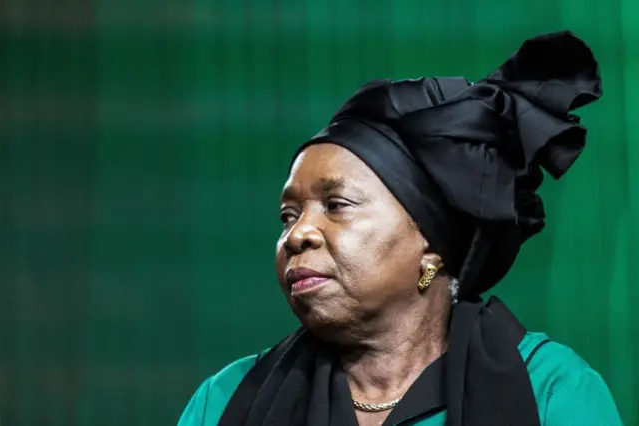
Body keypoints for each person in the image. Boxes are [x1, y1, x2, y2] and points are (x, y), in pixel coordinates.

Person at [177, 31, 622, 426]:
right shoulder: (225, 402)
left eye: (336, 205)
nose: (297, 235)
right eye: (288, 215)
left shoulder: (551, 392)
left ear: (431, 243)